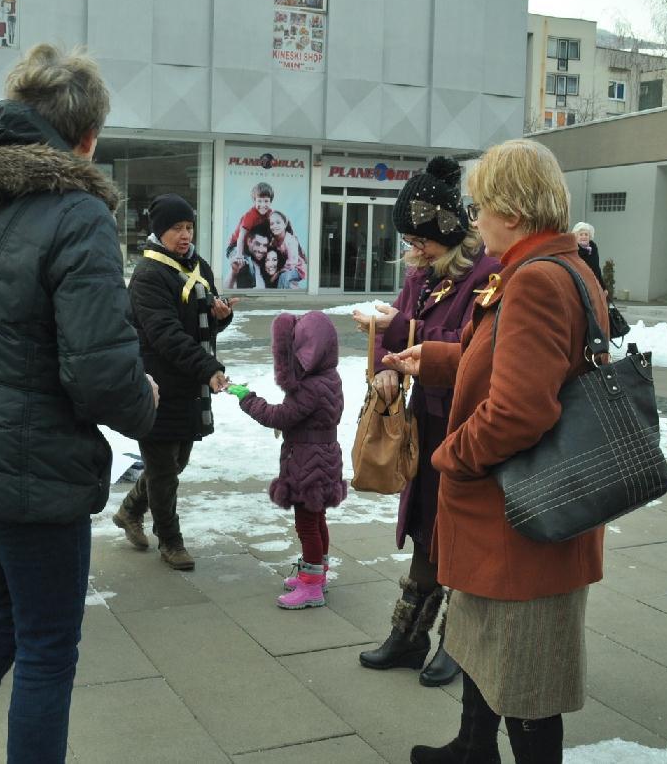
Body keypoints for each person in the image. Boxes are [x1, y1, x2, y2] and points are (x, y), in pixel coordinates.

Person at [0, 44, 159, 763]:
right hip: (31, 469)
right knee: (47, 647)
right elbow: (102, 374)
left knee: (2, 617)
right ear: (86, 137)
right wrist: (147, 401)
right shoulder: (75, 213)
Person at [383, 140, 606, 764]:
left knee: (528, 680)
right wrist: (432, 359)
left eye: (482, 206)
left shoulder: (535, 279)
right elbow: (511, 360)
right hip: (528, 510)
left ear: (513, 206)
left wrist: (451, 456)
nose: (474, 220)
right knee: (487, 645)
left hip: (519, 512)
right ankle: (472, 747)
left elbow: (520, 410)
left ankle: (484, 749)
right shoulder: (559, 265)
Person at [351, 156, 500, 689]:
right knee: (424, 530)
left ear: (451, 231)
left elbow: (473, 347)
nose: (413, 250)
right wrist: (382, 368)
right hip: (426, 422)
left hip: (465, 424)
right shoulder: (421, 276)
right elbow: (398, 337)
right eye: (411, 239)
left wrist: (401, 334)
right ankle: (410, 635)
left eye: (422, 238)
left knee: (456, 533)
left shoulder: (485, 276)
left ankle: (456, 644)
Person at [114, 193, 235, 571]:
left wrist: (220, 315)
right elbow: (165, 335)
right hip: (157, 384)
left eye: (188, 227)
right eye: (176, 229)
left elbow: (200, 320)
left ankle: (131, 509)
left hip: (190, 382)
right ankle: (171, 541)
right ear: (158, 232)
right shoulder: (149, 275)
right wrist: (209, 367)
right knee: (164, 469)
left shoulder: (196, 266)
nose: (185, 235)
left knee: (177, 460)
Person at [226, 311, 345, 609]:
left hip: (308, 462)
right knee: (317, 520)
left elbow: (278, 416)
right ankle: (316, 571)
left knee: (306, 524)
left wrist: (247, 398)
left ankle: (312, 587)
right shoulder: (330, 377)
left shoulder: (309, 387)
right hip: (325, 457)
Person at [225, 222, 273, 289]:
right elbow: (226, 289)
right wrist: (233, 273)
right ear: (249, 241)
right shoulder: (242, 260)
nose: (261, 250)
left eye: (265, 245)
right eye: (257, 244)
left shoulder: (264, 261)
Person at [573, 221, 603, 287]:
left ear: (590, 237)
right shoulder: (574, 251)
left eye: (586, 234)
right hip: (581, 285)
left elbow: (597, 268)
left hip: (595, 284)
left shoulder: (593, 248)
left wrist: (603, 286)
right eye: (581, 234)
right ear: (576, 237)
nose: (584, 237)